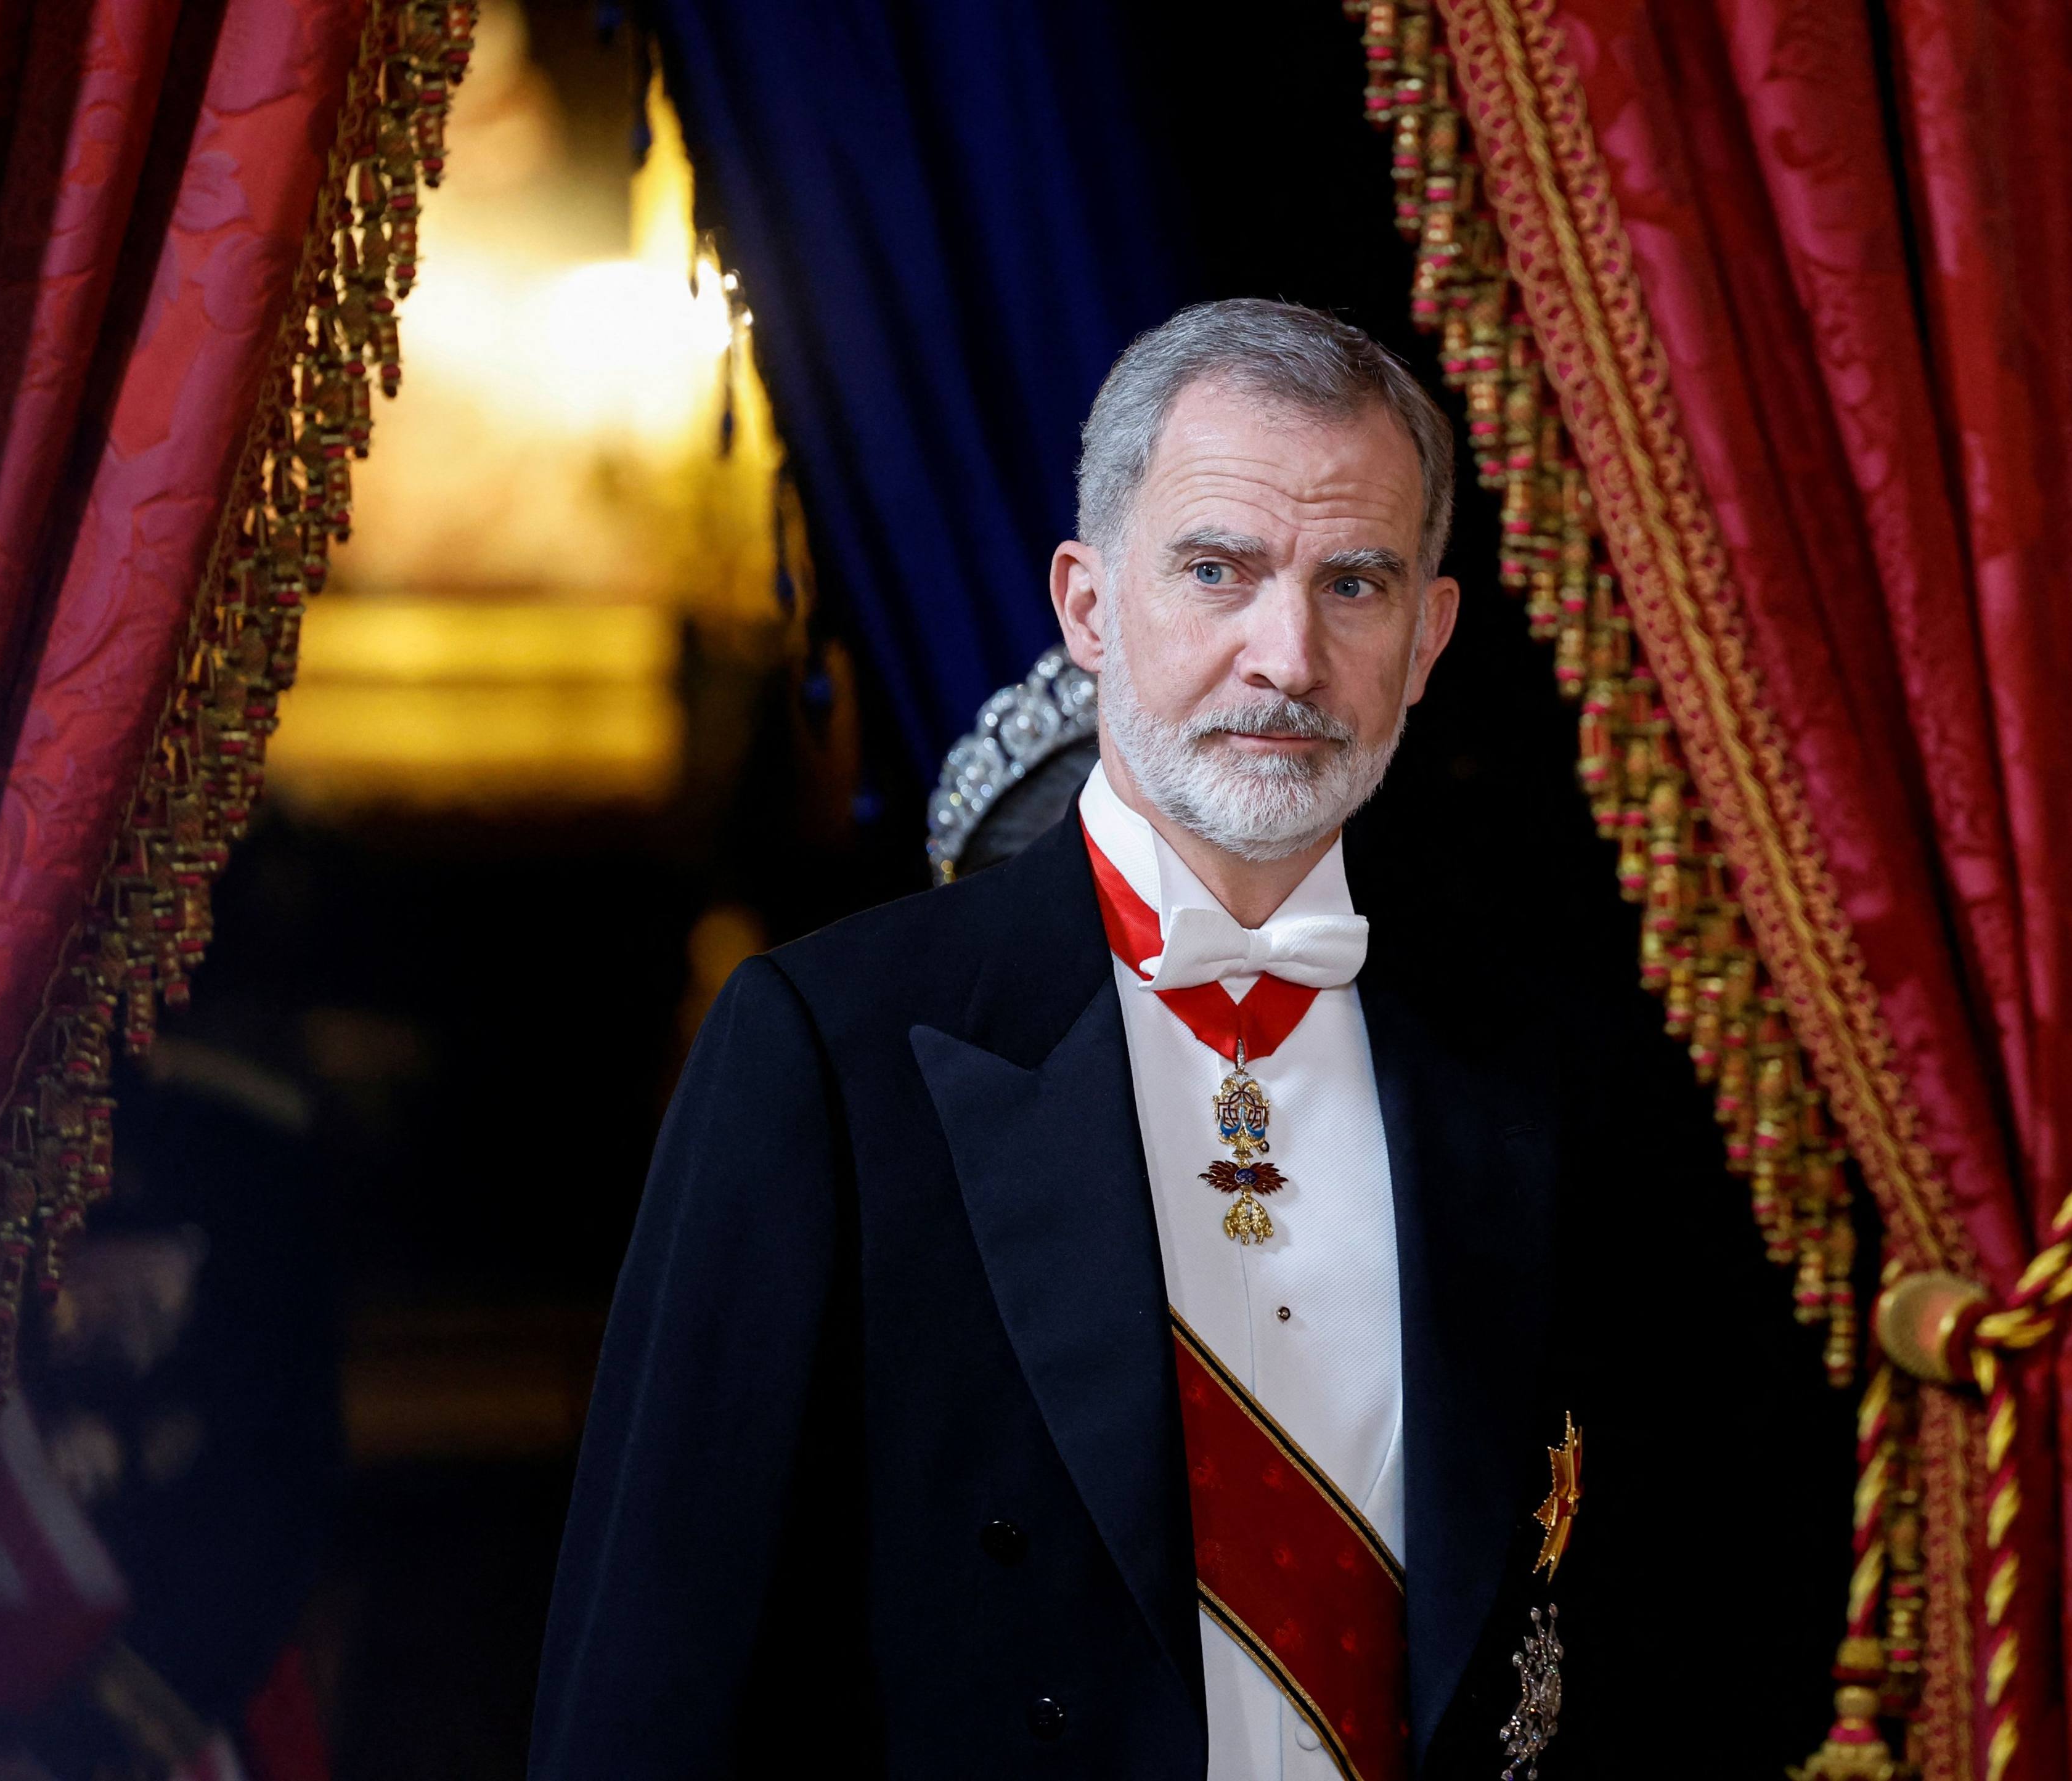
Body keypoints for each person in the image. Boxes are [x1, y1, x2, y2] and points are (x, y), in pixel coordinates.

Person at [531, 300, 1593, 1779]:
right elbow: (653, 1684)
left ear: (1426, 637)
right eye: (1216, 570)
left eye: (1352, 583)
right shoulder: (829, 1050)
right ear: (1088, 606)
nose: (1284, 655)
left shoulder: (1528, 1065)